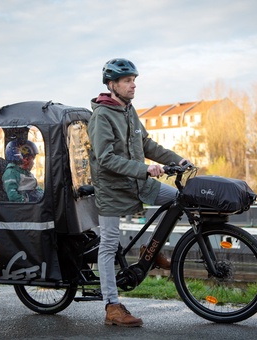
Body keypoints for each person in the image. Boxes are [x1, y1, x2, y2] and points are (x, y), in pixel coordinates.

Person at [88, 58, 191, 327]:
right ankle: (112, 305)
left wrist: (178, 159)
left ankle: (151, 249)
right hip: (112, 189)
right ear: (112, 85)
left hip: (137, 183)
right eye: (127, 80)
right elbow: (106, 158)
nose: (133, 84)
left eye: (134, 80)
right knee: (109, 245)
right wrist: (145, 170)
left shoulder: (128, 110)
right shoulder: (102, 116)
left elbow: (145, 143)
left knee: (180, 199)